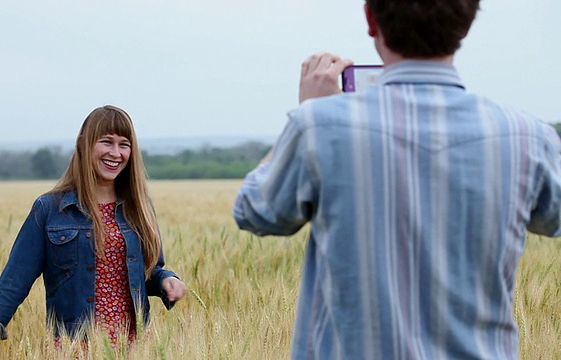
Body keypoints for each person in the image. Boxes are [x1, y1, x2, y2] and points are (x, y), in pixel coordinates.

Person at [233, 1, 561, 359]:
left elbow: (254, 211)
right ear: (466, 27)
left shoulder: (318, 127)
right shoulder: (529, 138)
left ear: (371, 19)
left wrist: (305, 114)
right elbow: (552, 220)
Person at [0, 105, 187, 349]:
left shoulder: (139, 207)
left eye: (124, 144)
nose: (115, 153)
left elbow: (147, 271)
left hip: (134, 346)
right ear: (84, 145)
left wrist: (167, 280)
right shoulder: (50, 208)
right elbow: (16, 276)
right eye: (106, 142)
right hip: (73, 347)